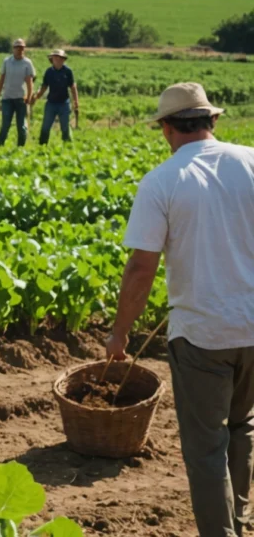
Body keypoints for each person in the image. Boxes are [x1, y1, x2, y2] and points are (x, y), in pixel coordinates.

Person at [106, 83, 254, 537]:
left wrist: (119, 333)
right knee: (242, 427)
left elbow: (140, 269)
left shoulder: (163, 181)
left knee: (206, 447)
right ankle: (240, 520)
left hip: (202, 334)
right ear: (213, 121)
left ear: (166, 128)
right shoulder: (250, 160)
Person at [30, 49, 79, 145]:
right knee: (45, 127)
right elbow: (44, 86)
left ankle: (67, 146)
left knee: (65, 127)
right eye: (55, 58)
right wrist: (36, 97)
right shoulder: (49, 72)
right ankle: (42, 146)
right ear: (52, 59)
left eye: (59, 58)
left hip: (64, 103)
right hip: (51, 104)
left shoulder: (67, 71)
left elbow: (73, 86)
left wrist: (76, 101)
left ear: (63, 60)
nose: (57, 60)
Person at [0, 38, 35, 147]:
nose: (20, 50)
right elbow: (1, 80)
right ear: (13, 49)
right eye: (17, 47)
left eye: (22, 48)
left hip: (21, 99)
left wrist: (29, 97)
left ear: (24, 49)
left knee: (21, 126)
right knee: (5, 125)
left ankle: (21, 148)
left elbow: (30, 81)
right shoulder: (7, 62)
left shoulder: (27, 63)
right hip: (7, 98)